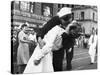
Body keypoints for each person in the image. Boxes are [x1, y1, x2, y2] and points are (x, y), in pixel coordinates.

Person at [23, 7, 72, 73]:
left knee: (56, 65)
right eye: (65, 21)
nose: (66, 23)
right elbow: (44, 31)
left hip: (56, 49)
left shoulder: (66, 26)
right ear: (61, 18)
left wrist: (69, 45)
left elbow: (68, 40)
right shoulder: (55, 23)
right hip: (47, 48)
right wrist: (39, 38)